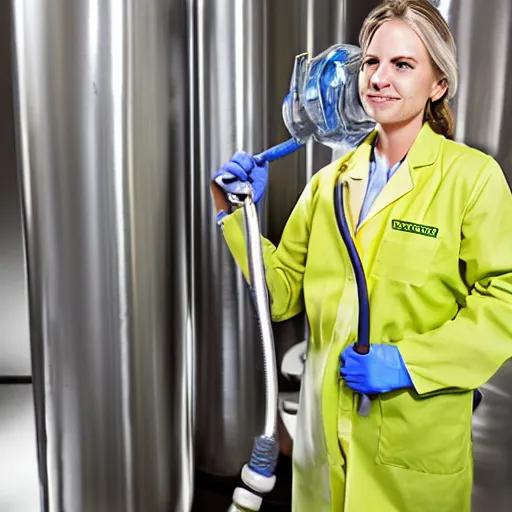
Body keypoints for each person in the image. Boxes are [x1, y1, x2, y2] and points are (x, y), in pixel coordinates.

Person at [210, 0, 512, 510]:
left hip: (411, 444)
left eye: (402, 65)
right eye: (371, 62)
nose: (379, 78)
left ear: (438, 83)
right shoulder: (328, 183)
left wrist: (408, 362)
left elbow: (504, 302)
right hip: (322, 441)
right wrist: (236, 215)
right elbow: (279, 296)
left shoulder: (473, 179)